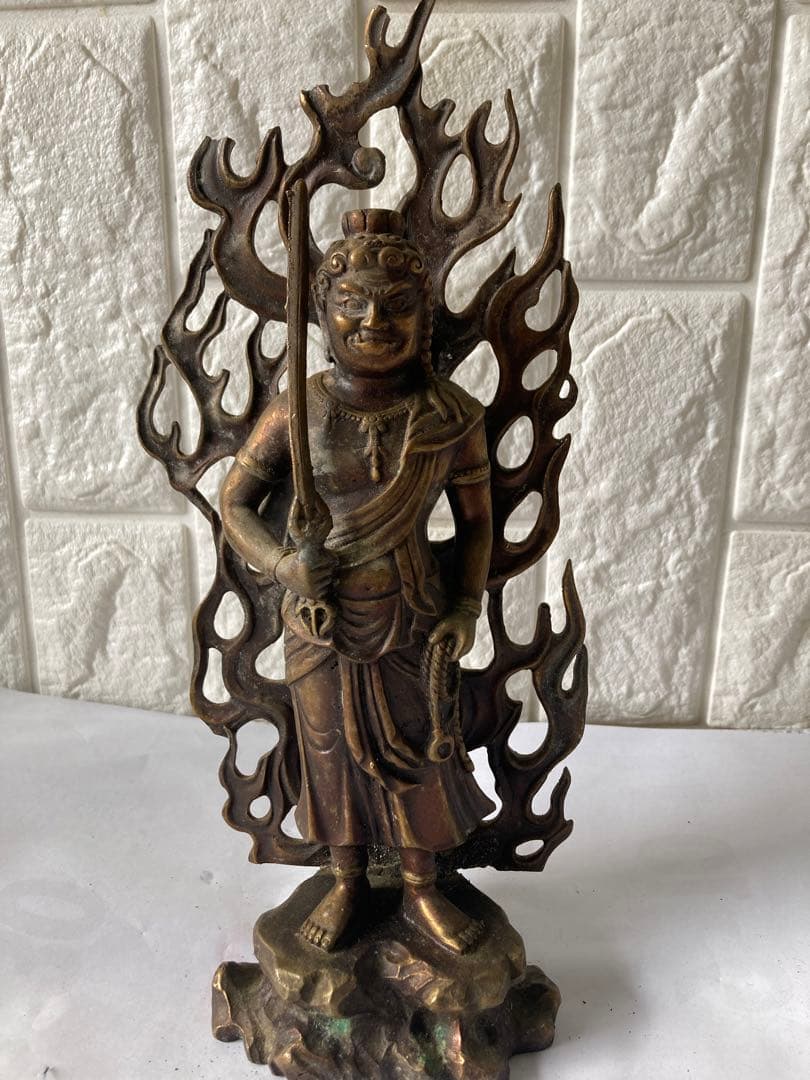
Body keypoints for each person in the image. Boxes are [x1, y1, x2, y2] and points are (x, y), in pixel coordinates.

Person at [220, 208, 494, 953]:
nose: (374, 322)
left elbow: (476, 524)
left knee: (418, 749)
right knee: (330, 753)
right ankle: (343, 879)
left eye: (397, 306)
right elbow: (235, 503)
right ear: (324, 315)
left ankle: (421, 886)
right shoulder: (299, 410)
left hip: (411, 610)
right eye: (353, 304)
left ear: (423, 319)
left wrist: (466, 606)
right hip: (320, 618)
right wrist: (283, 565)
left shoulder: (450, 416)